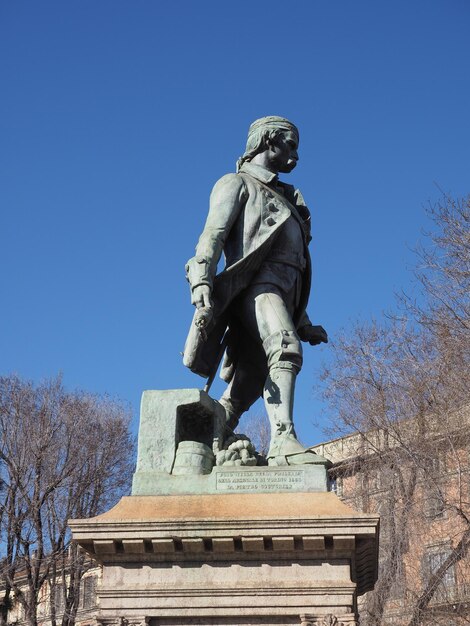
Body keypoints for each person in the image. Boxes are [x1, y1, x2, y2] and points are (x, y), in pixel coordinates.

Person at [183, 116, 327, 465]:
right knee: (284, 346)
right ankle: (283, 440)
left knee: (250, 380)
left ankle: (215, 435)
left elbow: (290, 260)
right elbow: (213, 234)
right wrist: (201, 277)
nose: (296, 154)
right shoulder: (237, 183)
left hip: (283, 295)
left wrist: (302, 319)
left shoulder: (287, 198)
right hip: (255, 288)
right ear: (267, 141)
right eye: (290, 144)